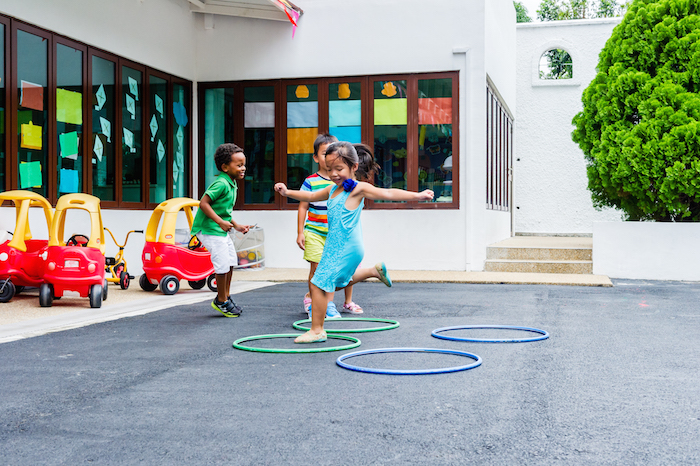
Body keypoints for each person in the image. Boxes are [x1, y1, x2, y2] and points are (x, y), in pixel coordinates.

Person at [275, 141, 434, 343]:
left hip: (346, 247)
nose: (333, 174)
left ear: (354, 167)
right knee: (323, 284)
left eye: (339, 169)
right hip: (335, 247)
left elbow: (387, 192)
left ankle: (317, 330)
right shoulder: (333, 189)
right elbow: (311, 195)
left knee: (319, 284)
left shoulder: (358, 189)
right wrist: (287, 192)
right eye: (329, 168)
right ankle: (372, 272)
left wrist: (418, 195)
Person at [297, 134, 362, 319]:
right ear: (318, 158)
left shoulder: (347, 183)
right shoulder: (313, 182)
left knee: (346, 269)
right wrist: (300, 232)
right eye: (326, 153)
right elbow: (304, 203)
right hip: (316, 231)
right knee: (319, 269)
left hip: (338, 234)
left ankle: (346, 301)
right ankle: (318, 302)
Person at [191, 143, 251, 317]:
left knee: (231, 261)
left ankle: (225, 296)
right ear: (225, 167)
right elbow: (203, 204)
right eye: (239, 165)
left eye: (244, 164)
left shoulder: (231, 183)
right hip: (209, 228)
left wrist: (236, 224)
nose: (243, 168)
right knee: (222, 263)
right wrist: (219, 222)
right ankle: (221, 301)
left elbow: (223, 210)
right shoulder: (221, 184)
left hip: (218, 228)